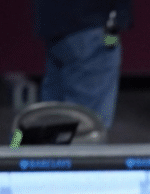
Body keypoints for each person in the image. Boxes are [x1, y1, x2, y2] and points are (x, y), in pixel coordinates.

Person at [33, 0, 132, 129]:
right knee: (86, 122)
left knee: (52, 115)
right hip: (93, 24)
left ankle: (21, 141)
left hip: (55, 26)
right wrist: (114, 29)